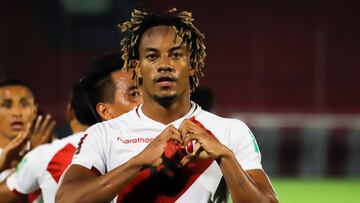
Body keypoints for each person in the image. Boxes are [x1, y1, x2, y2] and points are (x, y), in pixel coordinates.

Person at [56, 8, 278, 203]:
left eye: (175, 55)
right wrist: (138, 161)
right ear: (137, 69)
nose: (164, 65)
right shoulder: (104, 134)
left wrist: (225, 157)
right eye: (152, 56)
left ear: (191, 65)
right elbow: (66, 199)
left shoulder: (229, 132)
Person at [0, 53, 142, 203]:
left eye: (24, 104)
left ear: (70, 111)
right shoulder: (47, 154)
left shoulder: (43, 154)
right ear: (104, 111)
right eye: (134, 94)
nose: (17, 113)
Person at [0, 79, 55, 183]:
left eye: (24, 104)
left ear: (35, 111)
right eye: (7, 105)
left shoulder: (54, 148)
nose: (17, 113)